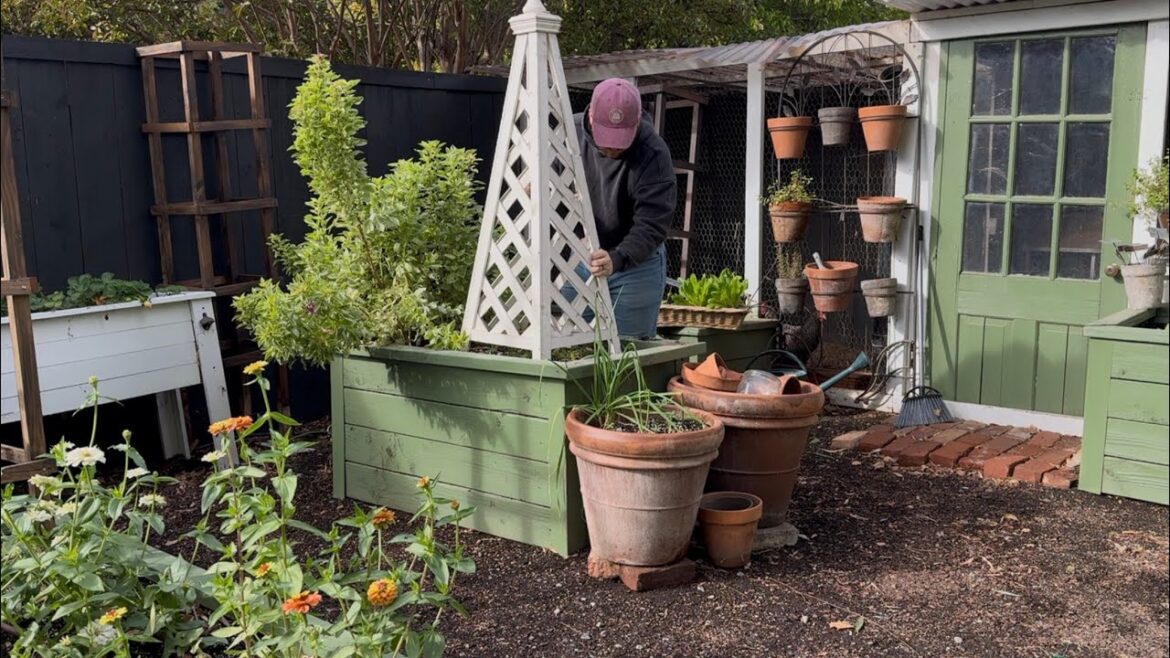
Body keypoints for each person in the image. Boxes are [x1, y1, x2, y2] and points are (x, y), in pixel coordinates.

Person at [574, 78, 676, 339]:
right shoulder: (566, 133)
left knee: (630, 353)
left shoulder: (653, 152)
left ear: (638, 119)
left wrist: (618, 258)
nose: (613, 147)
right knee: (569, 342)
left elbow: (652, 224)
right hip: (580, 256)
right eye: (607, 136)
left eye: (621, 139)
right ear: (591, 115)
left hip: (636, 262)